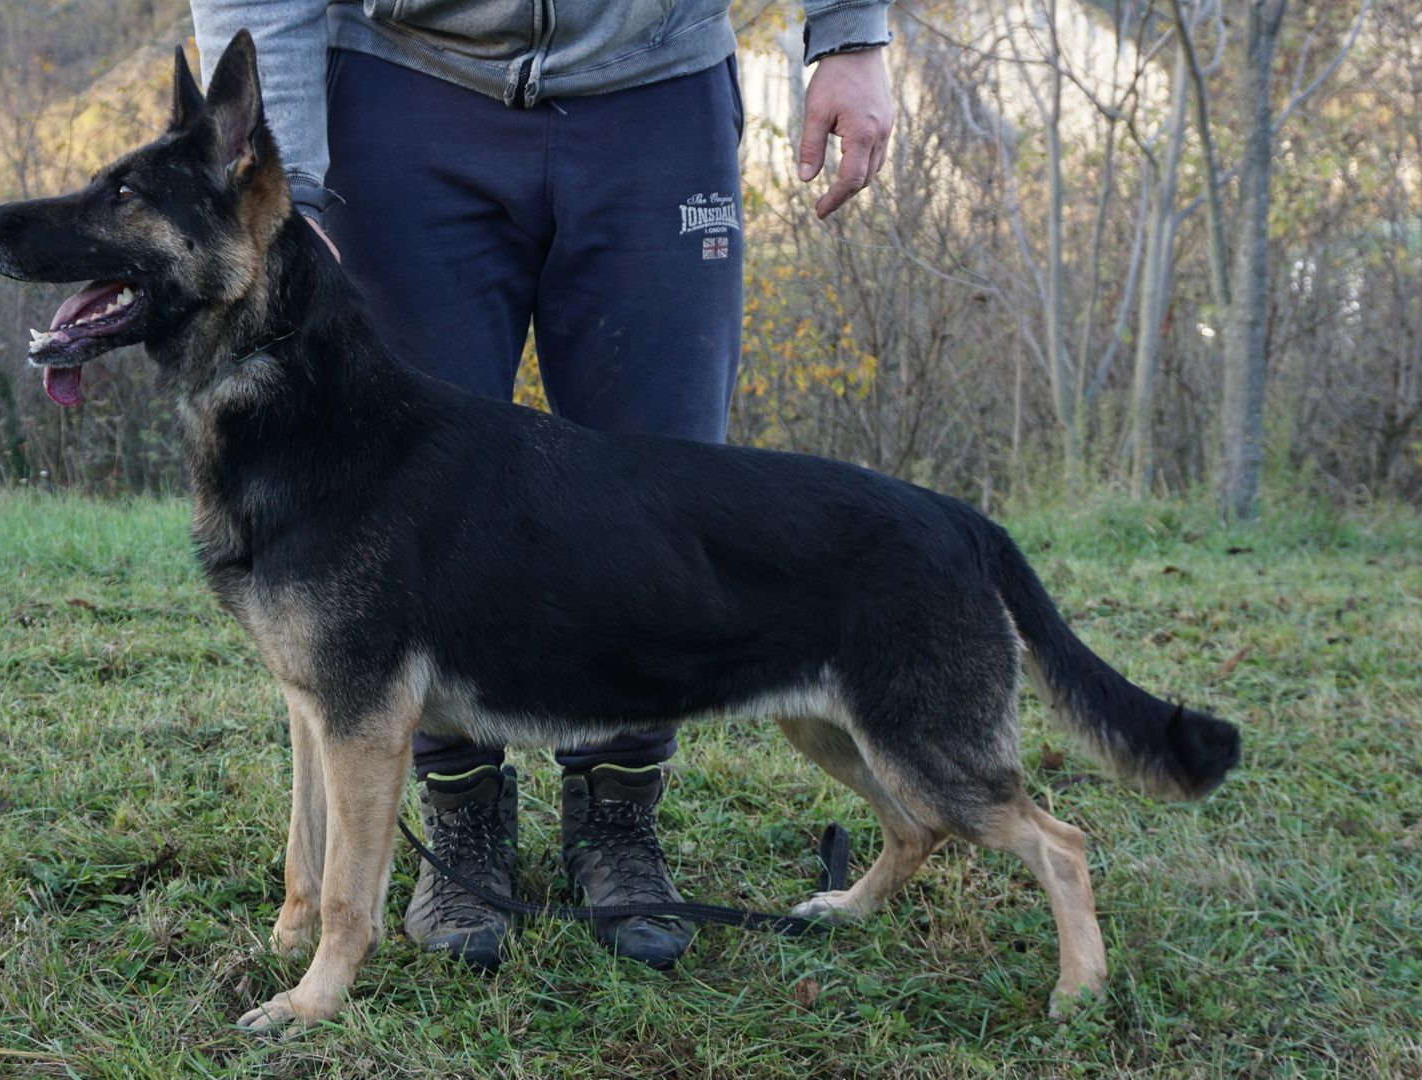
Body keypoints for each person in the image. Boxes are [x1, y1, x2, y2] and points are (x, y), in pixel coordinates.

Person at [190, 0, 896, 972]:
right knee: (394, 504)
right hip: (407, 86)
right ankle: (462, 810)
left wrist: (850, 35)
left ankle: (620, 804)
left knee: (663, 493)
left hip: (653, 85)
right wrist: (292, 181)